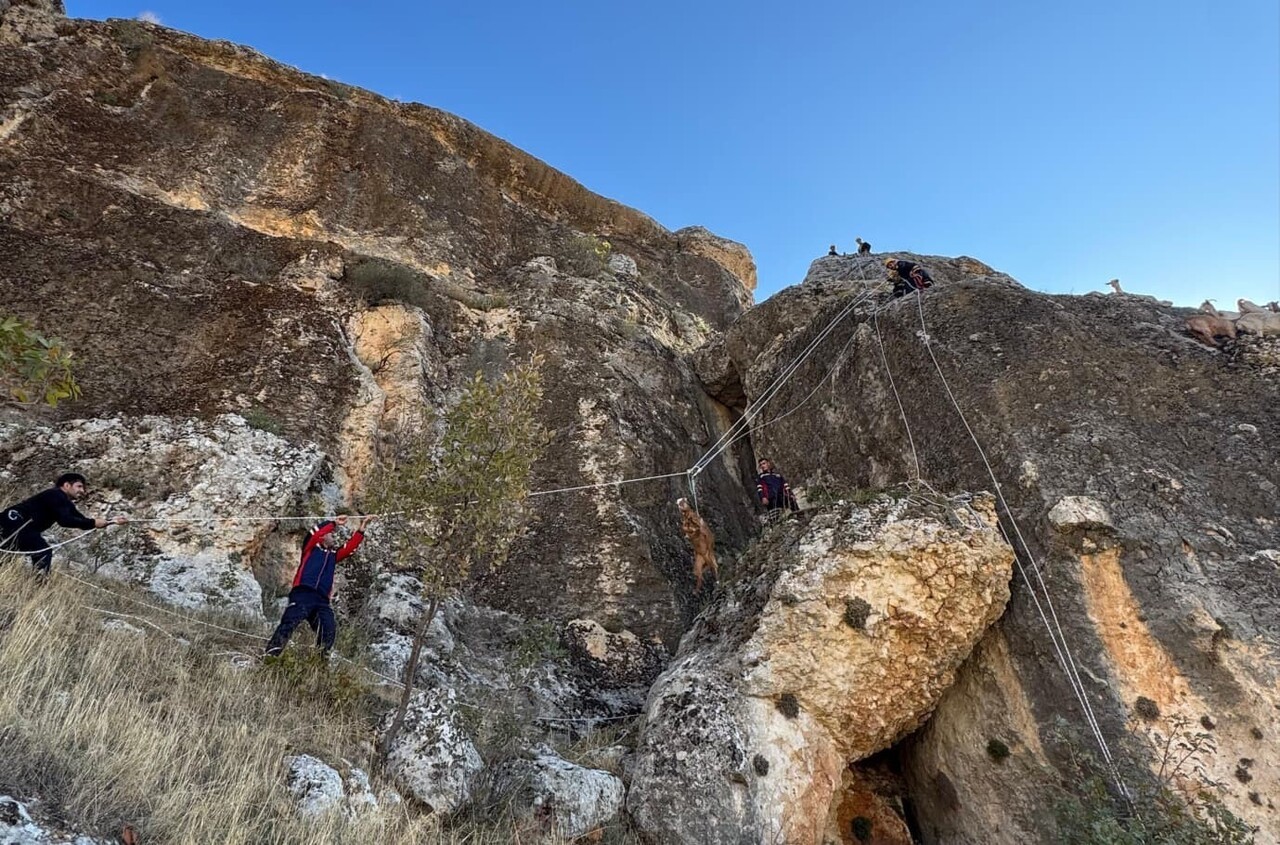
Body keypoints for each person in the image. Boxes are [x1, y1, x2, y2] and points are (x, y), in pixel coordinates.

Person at [265, 514, 375, 658]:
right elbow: (315, 532)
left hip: (322, 600)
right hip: (303, 593)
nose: (333, 536)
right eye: (330, 534)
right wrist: (334, 523)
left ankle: (319, 664)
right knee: (289, 623)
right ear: (322, 538)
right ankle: (270, 656)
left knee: (328, 630)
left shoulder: (333, 555)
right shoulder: (310, 548)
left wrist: (361, 528)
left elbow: (350, 548)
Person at [0, 473, 126, 574]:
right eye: (79, 486)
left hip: (16, 524)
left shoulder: (65, 503)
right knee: (43, 551)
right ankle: (39, 585)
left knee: (7, 555)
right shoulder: (56, 495)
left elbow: (81, 521)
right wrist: (94, 522)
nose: (83, 491)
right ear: (66, 485)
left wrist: (111, 521)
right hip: (16, 520)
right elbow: (65, 520)